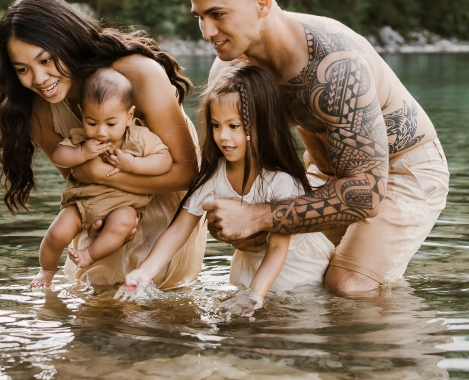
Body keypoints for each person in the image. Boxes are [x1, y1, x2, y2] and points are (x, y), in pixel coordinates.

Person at [177, 0, 449, 296]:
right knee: (283, 275)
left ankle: (395, 328)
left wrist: (259, 215)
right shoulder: (231, 69)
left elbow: (366, 194)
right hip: (322, 172)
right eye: (200, 18)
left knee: (347, 285)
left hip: (400, 171)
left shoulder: (336, 65)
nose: (206, 32)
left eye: (217, 14)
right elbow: (225, 163)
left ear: (262, 2)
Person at [0, 0, 206, 289]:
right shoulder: (39, 109)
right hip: (106, 210)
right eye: (23, 69)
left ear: (65, 41)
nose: (39, 78)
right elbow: (76, 181)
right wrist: (100, 216)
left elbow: (188, 174)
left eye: (45, 59)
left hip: (168, 205)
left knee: (152, 317)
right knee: (95, 316)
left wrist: (98, 173)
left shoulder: (136, 75)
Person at [116, 61, 335, 312]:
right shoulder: (214, 177)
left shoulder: (282, 181)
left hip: (298, 272)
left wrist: (255, 293)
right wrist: (143, 274)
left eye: (234, 126)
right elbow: (177, 231)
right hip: (247, 270)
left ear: (260, 126)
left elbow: (277, 248)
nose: (223, 137)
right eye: (216, 125)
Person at [32, 68, 174, 288]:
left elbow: (164, 160)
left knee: (124, 222)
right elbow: (59, 156)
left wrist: (133, 164)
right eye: (92, 122)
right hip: (82, 202)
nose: (101, 132)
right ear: (82, 113)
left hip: (123, 205)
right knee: (57, 234)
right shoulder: (80, 137)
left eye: (110, 124)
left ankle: (89, 254)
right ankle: (46, 270)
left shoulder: (140, 137)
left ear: (128, 116)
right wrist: (82, 153)